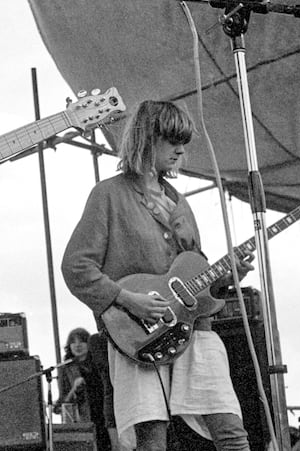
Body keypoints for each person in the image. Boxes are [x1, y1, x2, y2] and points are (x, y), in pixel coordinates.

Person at [61, 100, 254, 451]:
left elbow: (195, 277)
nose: (181, 149)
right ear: (145, 139)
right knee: (151, 439)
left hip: (195, 329)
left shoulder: (180, 201)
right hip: (136, 334)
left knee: (231, 431)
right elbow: (76, 266)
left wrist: (228, 277)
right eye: (171, 140)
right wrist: (126, 299)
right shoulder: (108, 195)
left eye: (184, 141)